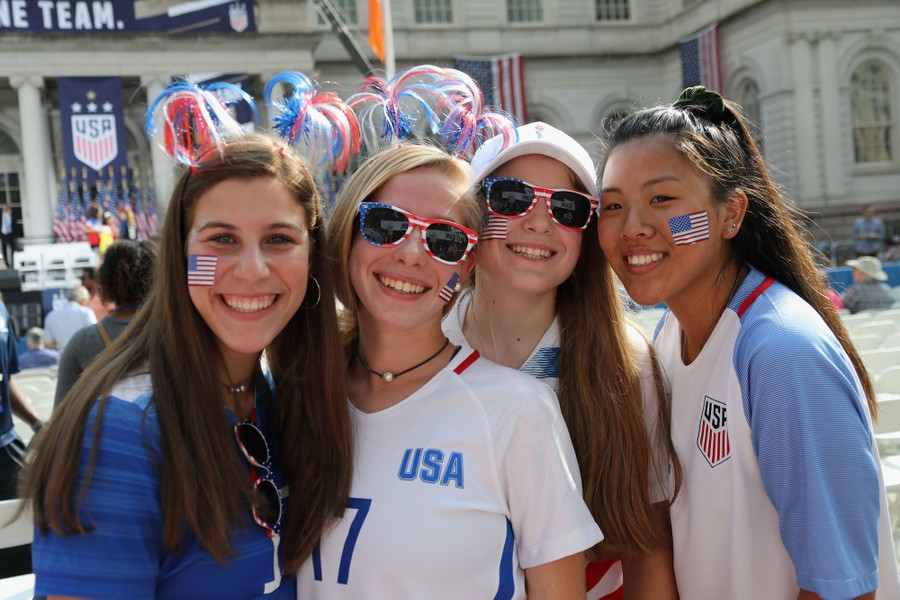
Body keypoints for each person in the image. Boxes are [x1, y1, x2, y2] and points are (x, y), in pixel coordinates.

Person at [595, 85, 900, 599]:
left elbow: (842, 588)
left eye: (661, 199)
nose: (633, 227)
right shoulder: (670, 336)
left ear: (731, 213)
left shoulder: (780, 351)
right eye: (612, 206)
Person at [21, 131, 352, 598]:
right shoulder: (119, 432)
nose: (253, 268)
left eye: (279, 239)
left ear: (312, 257)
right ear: (181, 256)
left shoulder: (281, 396)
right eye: (222, 239)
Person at [296, 143, 601, 598]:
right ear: (348, 232)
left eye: (445, 240)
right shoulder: (296, 398)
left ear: (466, 264)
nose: (413, 254)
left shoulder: (518, 412)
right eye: (387, 225)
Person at [443, 121, 679, 598]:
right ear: (472, 212)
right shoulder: (420, 344)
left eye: (567, 208)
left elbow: (648, 548)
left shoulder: (628, 362)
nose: (538, 222)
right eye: (511, 197)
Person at [55, 240, 156, 407]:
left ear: (105, 282)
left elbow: (60, 416)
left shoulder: (82, 342)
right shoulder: (177, 335)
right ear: (156, 278)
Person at [0, 299, 46, 579]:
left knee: (24, 546)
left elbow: (7, 378)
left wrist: (37, 422)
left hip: (6, 444)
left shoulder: (2, 307)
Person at [42, 284, 97, 353]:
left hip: (62, 359)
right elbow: (95, 335)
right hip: (85, 357)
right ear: (83, 299)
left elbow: (47, 343)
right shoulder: (86, 313)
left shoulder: (51, 316)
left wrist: (62, 347)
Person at [0, 203, 16, 268]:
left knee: (13, 249)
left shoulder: (12, 214)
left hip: (11, 234)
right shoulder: (0, 215)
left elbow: (15, 225)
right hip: (3, 234)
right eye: (3, 208)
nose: (5, 209)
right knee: (4, 250)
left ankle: (13, 263)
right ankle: (6, 264)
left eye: (6, 207)